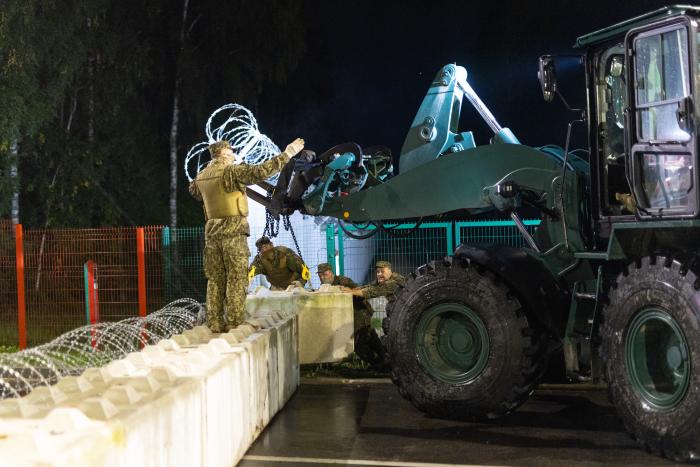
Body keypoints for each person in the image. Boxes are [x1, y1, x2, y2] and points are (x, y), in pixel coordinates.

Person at [189, 137, 305, 332]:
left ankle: (215, 322)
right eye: (231, 152)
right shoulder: (231, 171)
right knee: (236, 278)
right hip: (233, 232)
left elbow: (194, 191)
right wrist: (287, 154)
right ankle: (234, 322)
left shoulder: (200, 177)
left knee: (215, 280)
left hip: (211, 234)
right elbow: (259, 172)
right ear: (224, 153)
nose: (234, 156)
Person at [317, 262, 385, 367]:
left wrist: (347, 291)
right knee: (370, 337)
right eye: (320, 275)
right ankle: (383, 361)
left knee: (359, 344)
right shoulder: (325, 286)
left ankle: (379, 363)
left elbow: (359, 292)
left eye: (324, 274)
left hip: (359, 312)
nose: (322, 278)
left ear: (331, 273)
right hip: (349, 315)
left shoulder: (343, 281)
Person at [341, 260, 406, 302]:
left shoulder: (394, 282)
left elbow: (372, 291)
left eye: (382, 271)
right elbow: (369, 286)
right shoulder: (385, 279)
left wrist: (351, 292)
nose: (379, 274)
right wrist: (352, 290)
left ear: (390, 271)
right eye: (378, 272)